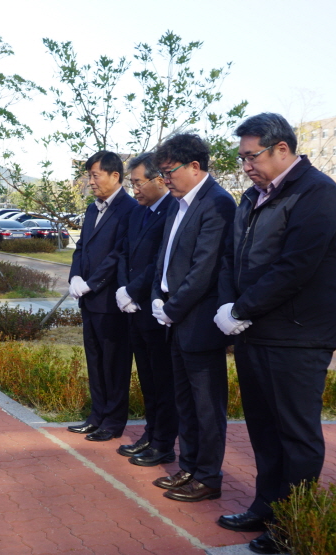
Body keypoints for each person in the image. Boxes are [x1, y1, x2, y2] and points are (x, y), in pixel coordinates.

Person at [214, 113, 336, 554]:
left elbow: (296, 268)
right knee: (264, 430)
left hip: (299, 335)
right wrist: (231, 307)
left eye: (252, 156)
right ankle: (266, 507)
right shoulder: (252, 197)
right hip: (256, 332)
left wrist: (242, 308)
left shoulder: (318, 193)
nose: (246, 165)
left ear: (282, 150)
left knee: (295, 433)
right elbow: (236, 259)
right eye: (242, 158)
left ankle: (295, 524)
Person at [150, 133, 236, 502]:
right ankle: (189, 466)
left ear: (195, 166)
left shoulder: (218, 203)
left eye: (169, 172)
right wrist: (157, 294)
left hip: (198, 321)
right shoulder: (176, 204)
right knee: (184, 400)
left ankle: (208, 476)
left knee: (206, 405)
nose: (165, 179)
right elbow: (164, 259)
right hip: (174, 317)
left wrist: (172, 308)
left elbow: (204, 269)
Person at [67, 151, 137, 442]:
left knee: (114, 363)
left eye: (95, 175)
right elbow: (82, 246)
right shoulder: (92, 209)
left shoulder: (129, 209)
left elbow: (119, 254)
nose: (91, 182)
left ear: (114, 176)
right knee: (94, 360)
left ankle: (114, 420)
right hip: (89, 299)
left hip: (112, 300)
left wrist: (93, 283)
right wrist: (75, 276)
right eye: (89, 176)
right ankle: (97, 415)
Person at [115, 153, 178, 466]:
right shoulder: (139, 212)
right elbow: (126, 252)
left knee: (162, 379)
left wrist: (134, 290)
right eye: (132, 183)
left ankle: (163, 441)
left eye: (139, 182)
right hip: (134, 309)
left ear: (158, 180)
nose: (135, 189)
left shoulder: (172, 210)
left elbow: (159, 262)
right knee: (147, 379)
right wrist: (124, 289)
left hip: (155, 308)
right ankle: (150, 434)